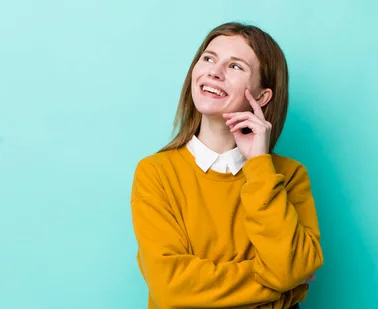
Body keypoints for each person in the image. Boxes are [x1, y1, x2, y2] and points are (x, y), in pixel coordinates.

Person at [130, 22, 324, 309]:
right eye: (208, 58)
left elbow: (290, 266)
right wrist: (281, 287)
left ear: (261, 97)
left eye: (235, 66)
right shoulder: (155, 173)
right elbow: (171, 288)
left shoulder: (290, 175)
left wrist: (259, 165)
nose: (214, 71)